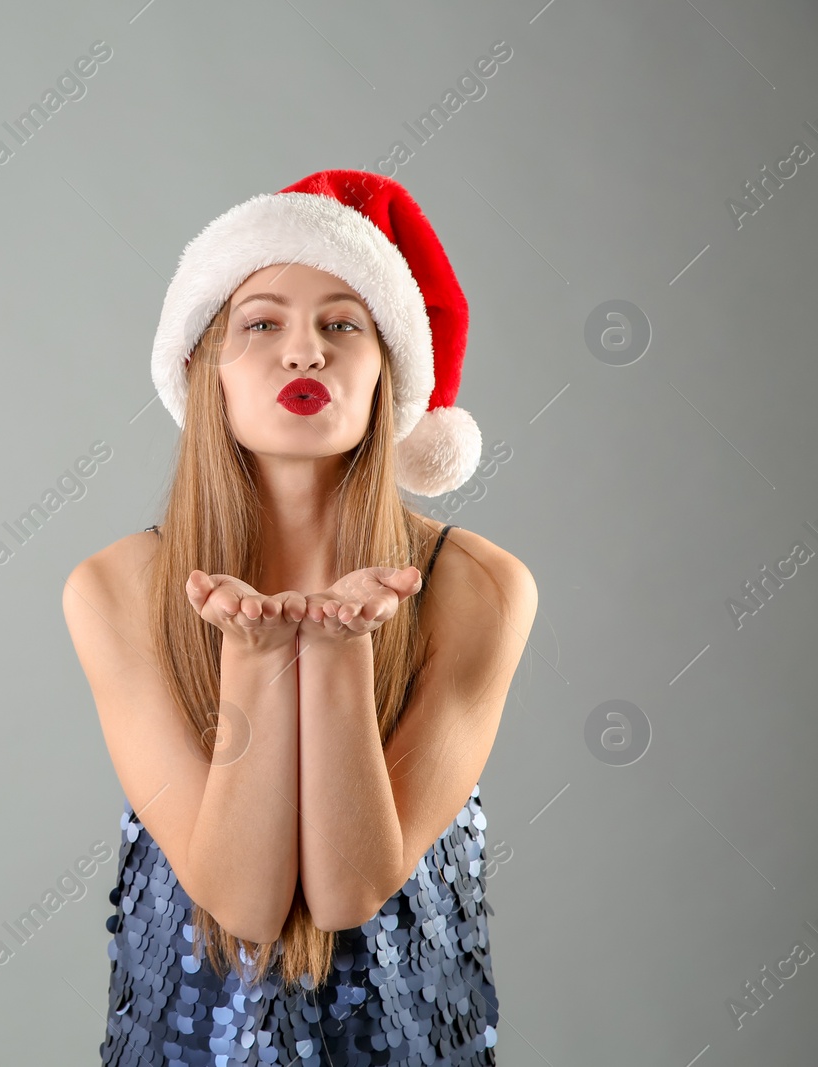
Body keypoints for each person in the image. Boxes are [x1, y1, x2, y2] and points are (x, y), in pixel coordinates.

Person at [62, 170, 537, 1065]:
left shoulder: (480, 585)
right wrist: (256, 655)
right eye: (263, 322)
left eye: (343, 324)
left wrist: (338, 653)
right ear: (206, 369)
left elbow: (349, 890)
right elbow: (242, 904)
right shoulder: (116, 587)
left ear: (388, 373)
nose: (305, 352)